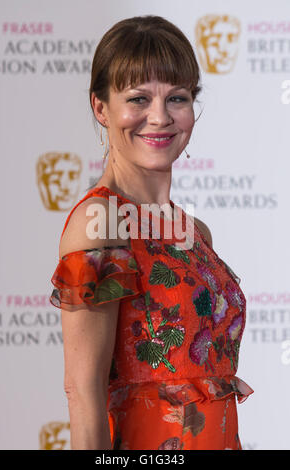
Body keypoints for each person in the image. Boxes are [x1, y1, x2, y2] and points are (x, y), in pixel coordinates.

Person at [49, 15, 254, 450]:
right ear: (101, 108)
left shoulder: (196, 232)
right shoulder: (100, 222)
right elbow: (83, 395)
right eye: (139, 98)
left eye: (176, 98)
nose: (159, 117)